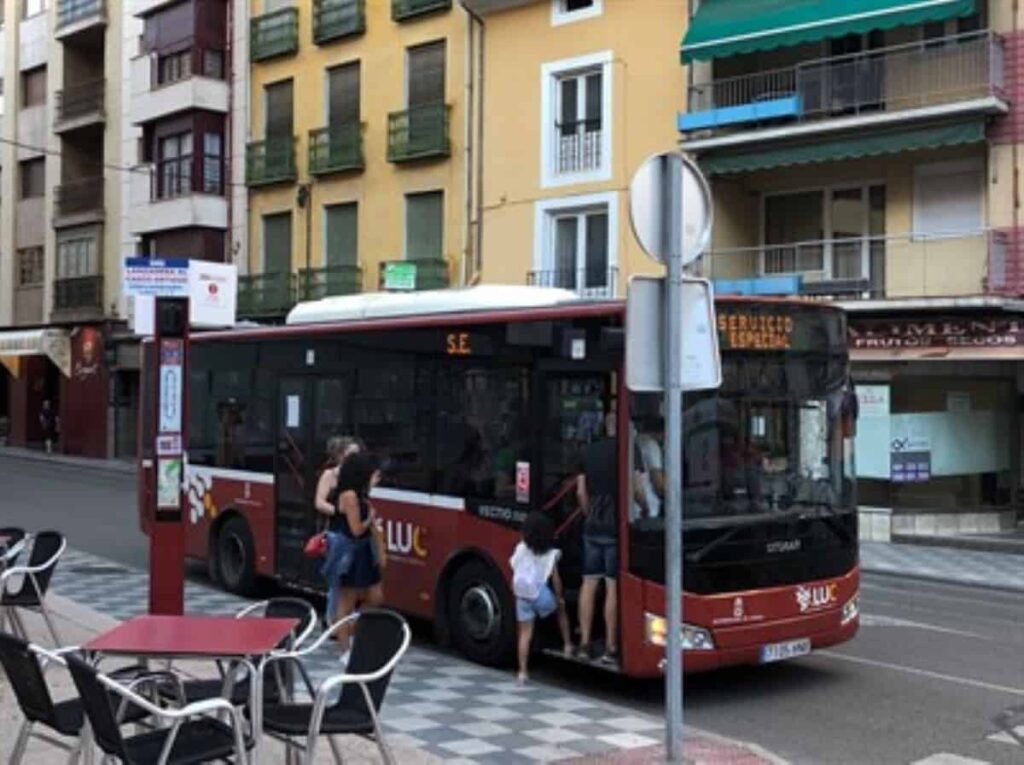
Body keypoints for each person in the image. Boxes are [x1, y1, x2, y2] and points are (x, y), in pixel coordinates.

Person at [322, 451, 384, 663]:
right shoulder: (349, 496)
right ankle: (345, 649)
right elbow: (356, 529)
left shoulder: (360, 494)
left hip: (363, 550)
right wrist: (370, 520)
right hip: (351, 552)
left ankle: (350, 630)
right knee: (346, 601)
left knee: (375, 596)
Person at [576, 411, 619, 666]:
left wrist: (589, 514)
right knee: (612, 586)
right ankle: (611, 646)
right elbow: (636, 488)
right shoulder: (627, 449)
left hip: (592, 526)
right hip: (615, 528)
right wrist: (646, 509)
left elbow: (581, 493)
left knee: (589, 582)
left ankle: (584, 643)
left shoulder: (588, 451)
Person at [510, 511, 571, 684]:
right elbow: (555, 580)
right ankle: (567, 644)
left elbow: (514, 566)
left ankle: (522, 672)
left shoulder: (521, 548)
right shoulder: (550, 554)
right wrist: (559, 598)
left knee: (525, 633)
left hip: (522, 595)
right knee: (561, 611)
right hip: (540, 595)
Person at [315, 436, 362, 628]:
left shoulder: (359, 477)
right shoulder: (330, 475)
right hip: (336, 532)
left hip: (356, 533)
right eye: (352, 455)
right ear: (341, 455)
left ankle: (346, 619)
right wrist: (337, 511)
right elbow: (319, 502)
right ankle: (332, 621)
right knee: (337, 581)